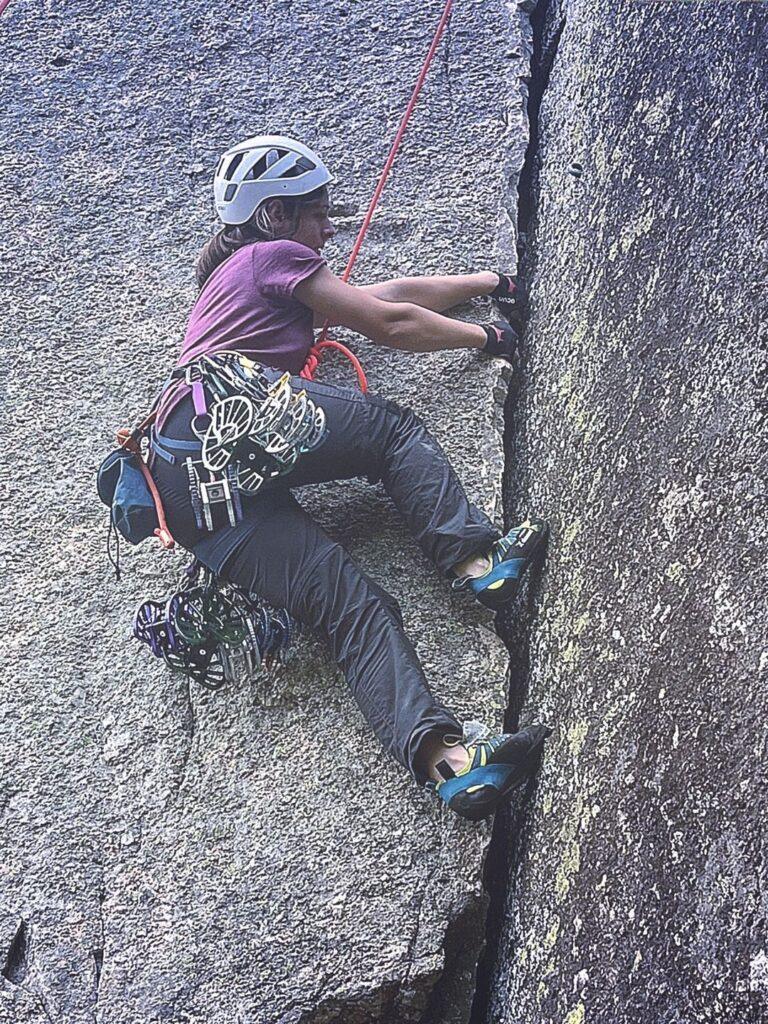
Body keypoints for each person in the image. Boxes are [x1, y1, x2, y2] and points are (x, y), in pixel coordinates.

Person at [150, 134, 550, 822]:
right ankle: (478, 561)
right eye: (317, 213)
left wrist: (488, 284)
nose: (329, 228)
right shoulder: (269, 256)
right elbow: (388, 321)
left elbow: (382, 296)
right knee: (391, 433)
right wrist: (488, 338)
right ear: (274, 216)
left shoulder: (233, 286)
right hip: (228, 418)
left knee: (354, 611)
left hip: (185, 486)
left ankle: (454, 767)